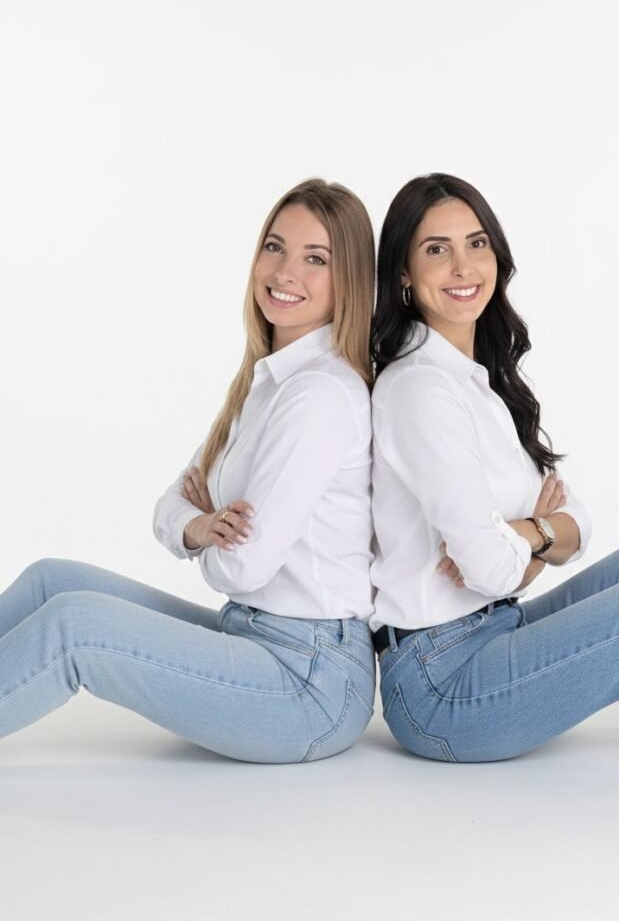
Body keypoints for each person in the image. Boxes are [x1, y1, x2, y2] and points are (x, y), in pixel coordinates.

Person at [370, 171, 619, 762]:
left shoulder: (475, 383)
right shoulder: (419, 389)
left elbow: (574, 521)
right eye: (437, 250)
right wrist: (535, 538)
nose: (464, 267)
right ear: (403, 274)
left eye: (476, 243)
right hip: (442, 686)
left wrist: (524, 535)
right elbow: (492, 568)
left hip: (497, 630)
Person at [1, 178, 377, 763]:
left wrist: (205, 541)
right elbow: (172, 503)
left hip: (311, 682)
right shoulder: (267, 382)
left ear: (349, 280)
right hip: (252, 635)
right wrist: (199, 527)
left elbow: (245, 566)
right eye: (274, 247)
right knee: (53, 580)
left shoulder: (320, 395)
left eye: (315, 259)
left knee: (74, 625)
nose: (285, 272)